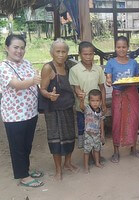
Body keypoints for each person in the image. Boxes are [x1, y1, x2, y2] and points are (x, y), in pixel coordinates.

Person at [0, 34, 43, 187]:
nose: (19, 51)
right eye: (15, 47)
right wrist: (33, 80)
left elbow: (35, 81)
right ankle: (23, 176)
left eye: (22, 48)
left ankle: (26, 169)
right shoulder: (3, 67)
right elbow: (16, 84)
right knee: (17, 146)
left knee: (27, 144)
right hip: (14, 115)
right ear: (7, 48)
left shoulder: (26, 63)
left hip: (30, 112)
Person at [40, 38, 77, 181]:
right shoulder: (48, 68)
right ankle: (58, 170)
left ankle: (67, 163)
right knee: (55, 139)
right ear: (52, 53)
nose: (61, 54)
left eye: (64, 51)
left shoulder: (68, 66)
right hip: (53, 110)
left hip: (67, 107)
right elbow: (42, 89)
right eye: (58, 51)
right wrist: (49, 95)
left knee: (69, 136)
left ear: (67, 53)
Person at [105, 36, 139, 163]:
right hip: (118, 94)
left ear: (127, 48)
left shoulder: (133, 62)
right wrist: (109, 80)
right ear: (115, 48)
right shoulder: (111, 62)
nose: (121, 49)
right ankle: (116, 151)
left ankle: (133, 148)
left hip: (132, 94)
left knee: (133, 120)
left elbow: (137, 78)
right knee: (117, 122)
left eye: (124, 47)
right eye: (118, 47)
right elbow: (109, 77)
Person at [69, 41, 106, 148]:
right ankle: (86, 152)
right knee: (83, 128)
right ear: (80, 54)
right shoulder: (74, 70)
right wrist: (79, 94)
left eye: (90, 54)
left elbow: (102, 88)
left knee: (96, 128)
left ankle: (96, 153)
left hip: (96, 107)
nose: (88, 57)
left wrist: (103, 104)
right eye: (85, 54)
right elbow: (76, 88)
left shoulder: (98, 69)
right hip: (83, 106)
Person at [79, 89, 105, 173]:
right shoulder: (87, 108)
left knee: (97, 149)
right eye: (92, 100)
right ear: (89, 101)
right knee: (87, 151)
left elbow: (101, 121)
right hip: (88, 134)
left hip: (97, 134)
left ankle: (97, 162)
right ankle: (86, 166)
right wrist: (82, 100)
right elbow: (81, 107)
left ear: (100, 101)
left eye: (97, 100)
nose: (95, 103)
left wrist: (102, 134)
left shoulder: (100, 111)